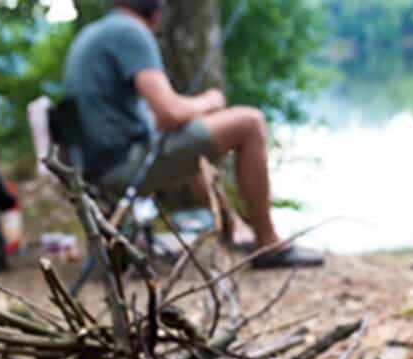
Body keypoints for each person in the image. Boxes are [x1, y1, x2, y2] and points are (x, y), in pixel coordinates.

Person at [62, 0, 323, 268]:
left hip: (93, 164)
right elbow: (169, 111)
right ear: (157, 13)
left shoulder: (93, 33)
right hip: (122, 167)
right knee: (250, 123)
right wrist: (211, 100)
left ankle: (233, 227)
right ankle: (268, 244)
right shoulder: (131, 32)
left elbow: (135, 119)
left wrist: (188, 115)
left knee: (188, 138)